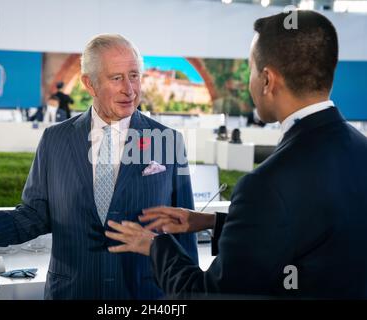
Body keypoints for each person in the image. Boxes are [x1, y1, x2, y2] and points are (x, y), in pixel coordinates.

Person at [105, 10, 367, 299]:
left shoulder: (266, 185)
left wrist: (155, 246)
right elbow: (317, 228)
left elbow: (209, 294)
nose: (249, 82)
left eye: (251, 69)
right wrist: (213, 222)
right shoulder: (359, 147)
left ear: (267, 80)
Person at [0, 34, 198, 300]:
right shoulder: (55, 139)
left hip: (145, 295)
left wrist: (191, 294)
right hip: (72, 292)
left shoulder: (168, 141)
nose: (129, 90)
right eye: (116, 78)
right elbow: (36, 214)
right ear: (89, 83)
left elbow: (183, 227)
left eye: (134, 75)